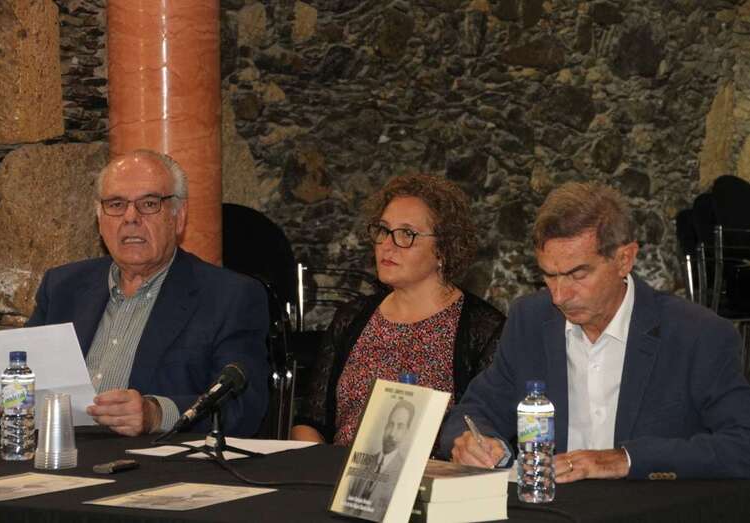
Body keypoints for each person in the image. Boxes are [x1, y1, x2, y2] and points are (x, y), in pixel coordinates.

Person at [441, 181, 750, 480]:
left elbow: (742, 445)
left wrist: (626, 459)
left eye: (578, 274)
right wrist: (471, 441)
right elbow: (474, 411)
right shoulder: (530, 320)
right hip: (553, 511)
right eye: (549, 276)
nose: (559, 295)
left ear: (624, 259)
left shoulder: (698, 334)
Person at [0, 150, 269, 437]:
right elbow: (23, 376)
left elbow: (244, 408)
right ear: (100, 218)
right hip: (58, 453)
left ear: (178, 216)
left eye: (149, 203)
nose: (130, 217)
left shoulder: (229, 296)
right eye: (116, 204)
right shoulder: (63, 286)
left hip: (149, 470)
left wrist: (156, 415)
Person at [291, 174, 505, 445]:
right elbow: (311, 421)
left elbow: (485, 431)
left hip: (432, 481)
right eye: (383, 230)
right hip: (337, 477)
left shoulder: (482, 329)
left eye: (406, 234)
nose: (387, 245)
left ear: (443, 249)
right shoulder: (352, 317)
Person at [345, 399, 415, 519]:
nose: (392, 433)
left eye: (400, 427)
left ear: (406, 432)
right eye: (390, 424)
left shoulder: (406, 471)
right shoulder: (362, 462)